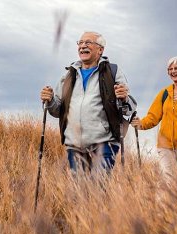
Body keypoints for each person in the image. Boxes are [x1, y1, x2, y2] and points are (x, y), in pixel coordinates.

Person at [40, 31, 136, 173]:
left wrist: (124, 98)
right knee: (80, 191)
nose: (83, 46)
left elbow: (129, 108)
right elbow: (56, 110)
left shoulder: (112, 72)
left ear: (100, 50)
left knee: (98, 188)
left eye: (88, 42)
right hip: (74, 144)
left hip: (104, 142)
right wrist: (49, 100)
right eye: (80, 43)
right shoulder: (68, 75)